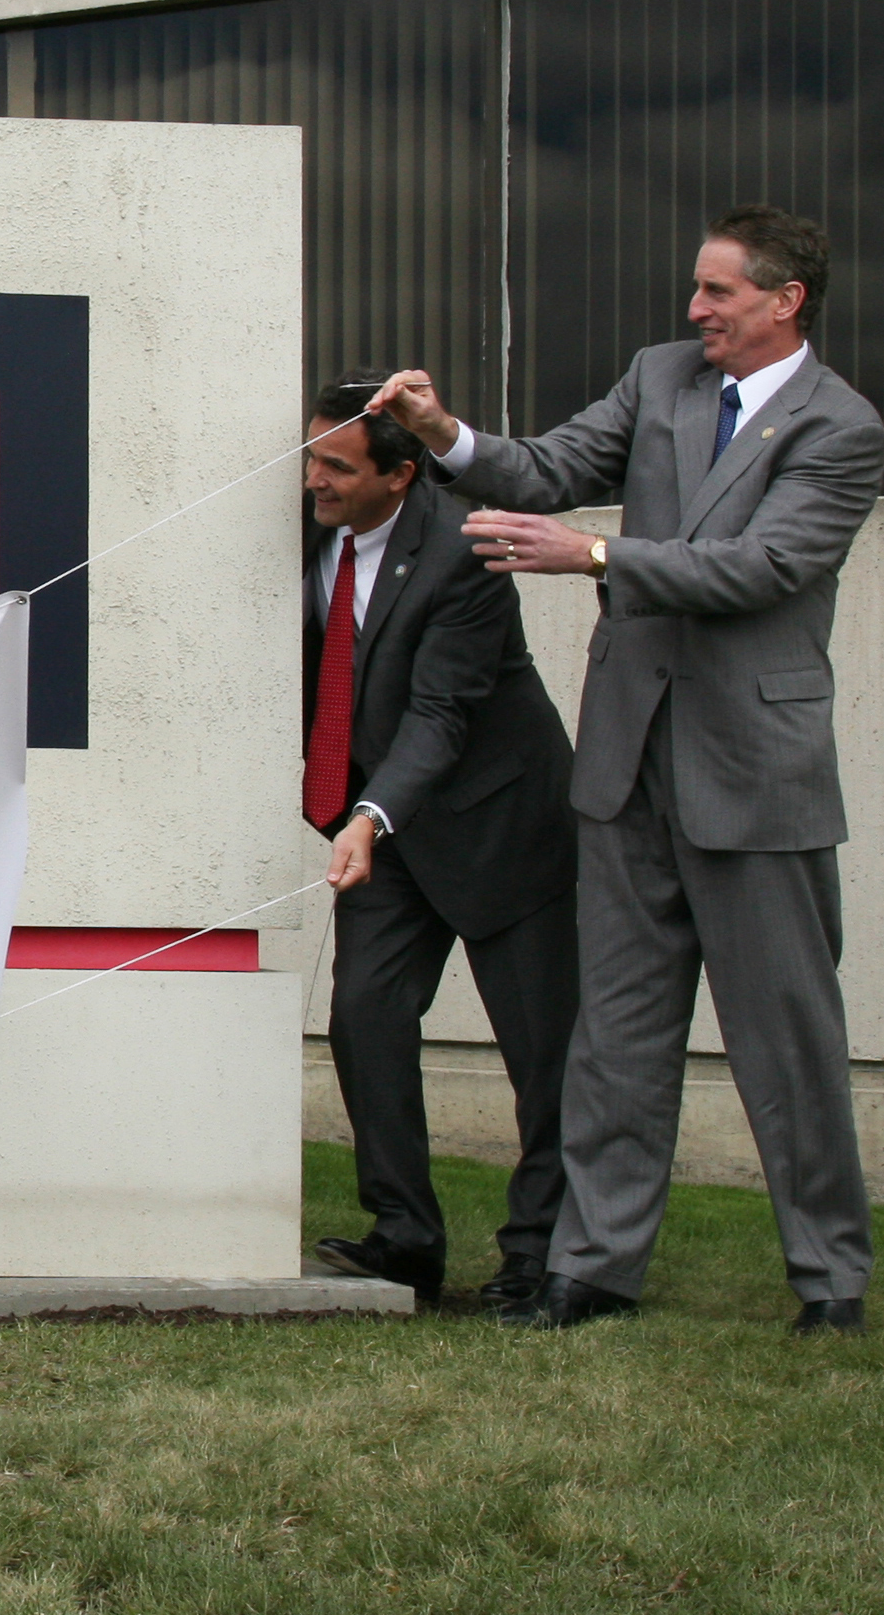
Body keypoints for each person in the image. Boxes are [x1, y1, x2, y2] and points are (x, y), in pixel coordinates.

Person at [374, 205, 881, 1335]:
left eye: (719, 294)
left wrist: (597, 554)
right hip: (624, 770)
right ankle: (594, 1270)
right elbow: (547, 468)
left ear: (785, 300)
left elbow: (765, 567)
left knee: (786, 1042)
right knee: (616, 1036)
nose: (694, 311)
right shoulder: (661, 378)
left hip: (755, 779)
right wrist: (443, 430)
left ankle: (830, 1280)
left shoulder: (840, 427)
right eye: (697, 292)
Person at [296, 384, 578, 1307]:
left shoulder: (465, 551)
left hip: (500, 827)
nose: (313, 481)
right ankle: (406, 1238)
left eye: (337, 466)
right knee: (364, 1019)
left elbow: (440, 715)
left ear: (401, 473)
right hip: (384, 831)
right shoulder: (306, 534)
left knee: (543, 1053)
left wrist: (370, 817)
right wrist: (369, 817)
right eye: (310, 458)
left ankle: (537, 1254)